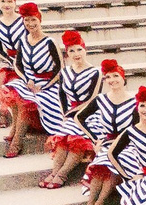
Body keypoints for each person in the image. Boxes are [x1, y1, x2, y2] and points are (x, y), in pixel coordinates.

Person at [36, 29, 101, 191]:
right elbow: (62, 95)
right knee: (63, 138)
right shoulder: (65, 72)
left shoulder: (95, 72)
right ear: (67, 53)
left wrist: (72, 115)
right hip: (71, 114)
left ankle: (61, 175)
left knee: (75, 138)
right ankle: (55, 172)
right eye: (72, 51)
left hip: (89, 115)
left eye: (79, 49)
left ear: (85, 50)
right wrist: (66, 114)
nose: (76, 54)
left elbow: (93, 99)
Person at [74, 59, 136, 205]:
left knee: (113, 160)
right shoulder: (101, 99)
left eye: (116, 76)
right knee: (102, 160)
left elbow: (138, 130)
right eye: (108, 77)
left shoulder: (135, 102)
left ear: (123, 78)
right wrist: (95, 139)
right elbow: (79, 117)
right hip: (107, 143)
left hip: (130, 146)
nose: (112, 80)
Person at [0, 2, 60, 161]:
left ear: (39, 19)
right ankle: (14, 130)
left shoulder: (49, 42)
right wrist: (27, 80)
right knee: (13, 89)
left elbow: (59, 69)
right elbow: (17, 65)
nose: (30, 24)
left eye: (33, 20)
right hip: (30, 82)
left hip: (50, 85)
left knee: (27, 101)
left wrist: (44, 86)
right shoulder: (23, 41)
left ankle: (17, 142)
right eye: (26, 20)